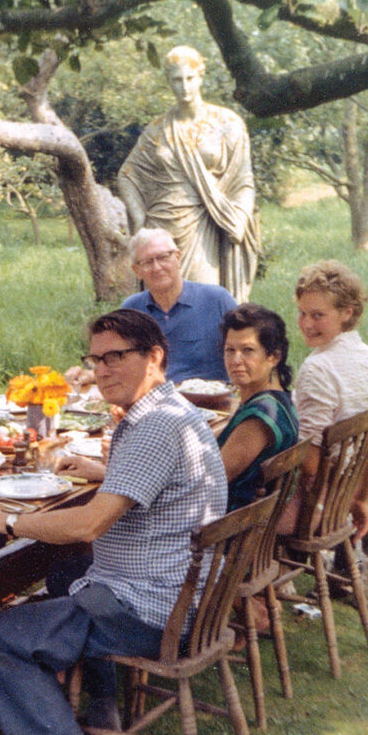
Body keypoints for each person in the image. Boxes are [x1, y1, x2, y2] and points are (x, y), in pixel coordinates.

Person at [0, 310, 227, 735]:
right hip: (186, 594)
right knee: (66, 575)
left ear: (155, 358)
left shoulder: (154, 428)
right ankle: (102, 706)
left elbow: (90, 525)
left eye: (116, 357)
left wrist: (7, 522)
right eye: (96, 359)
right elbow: (157, 485)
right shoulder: (174, 411)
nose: (103, 370)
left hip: (150, 607)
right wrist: (107, 473)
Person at [117, 45, 259, 303]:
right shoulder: (159, 129)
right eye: (177, 80)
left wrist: (238, 216)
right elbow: (128, 174)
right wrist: (139, 220)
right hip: (161, 226)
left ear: (201, 77)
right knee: (161, 302)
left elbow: (243, 179)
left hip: (205, 223)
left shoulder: (227, 124)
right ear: (168, 82)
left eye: (189, 79)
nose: (184, 86)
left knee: (204, 299)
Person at [292, 260, 368, 539]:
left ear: (347, 313)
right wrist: (360, 497)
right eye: (302, 313)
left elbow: (310, 463)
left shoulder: (318, 368)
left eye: (317, 315)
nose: (306, 324)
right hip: (344, 493)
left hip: (314, 506)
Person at [120, 227, 236, 383]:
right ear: (137, 271)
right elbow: (119, 362)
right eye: (147, 262)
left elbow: (249, 349)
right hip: (152, 401)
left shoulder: (217, 300)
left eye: (163, 257)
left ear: (178, 258)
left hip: (211, 402)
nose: (157, 267)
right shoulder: (131, 310)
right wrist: (90, 374)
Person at [217, 303, 299, 511]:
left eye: (248, 350)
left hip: (223, 532)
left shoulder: (259, 418)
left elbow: (211, 479)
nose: (236, 360)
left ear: (274, 357)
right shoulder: (278, 400)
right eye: (230, 350)